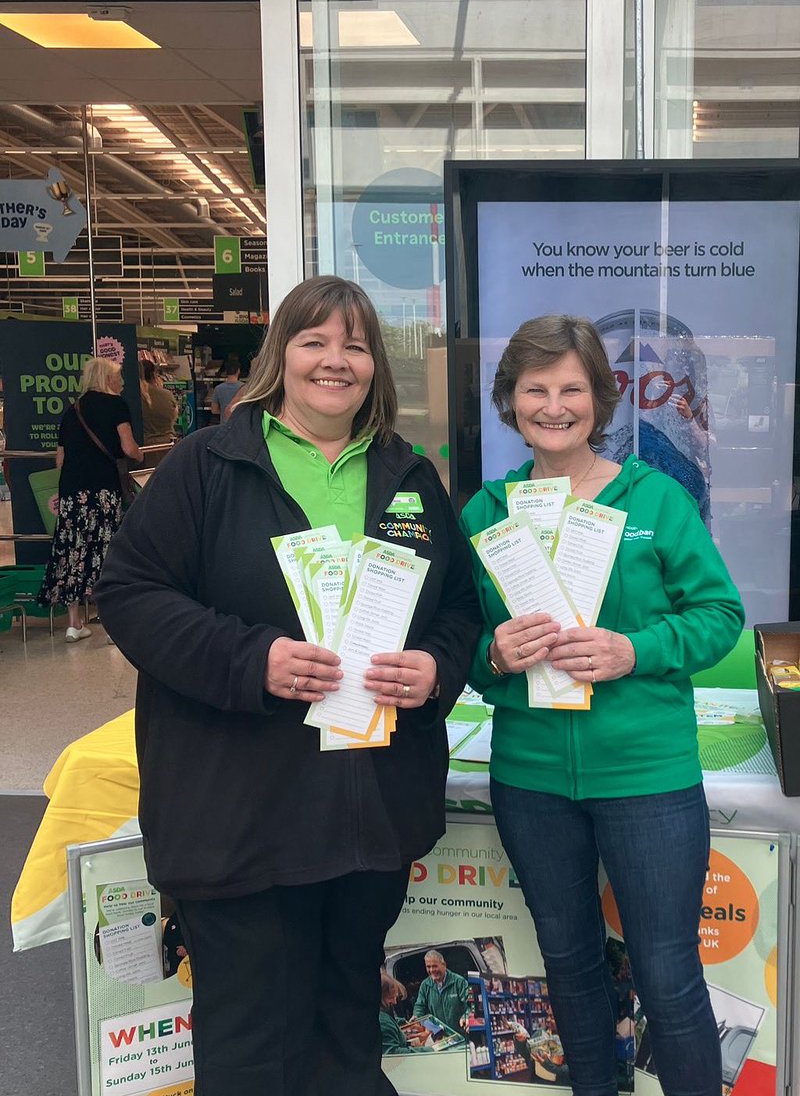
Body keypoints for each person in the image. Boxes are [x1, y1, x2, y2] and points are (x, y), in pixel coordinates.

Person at [95, 275, 482, 1096]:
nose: (334, 361)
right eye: (314, 341)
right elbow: (130, 594)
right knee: (251, 1055)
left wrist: (438, 668)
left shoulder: (407, 474)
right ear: (282, 356)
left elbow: (458, 609)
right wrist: (252, 660)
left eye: (354, 345)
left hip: (366, 817)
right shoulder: (210, 464)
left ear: (376, 365)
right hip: (242, 819)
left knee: (348, 1036)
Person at [460, 314, 744, 1096]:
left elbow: (719, 616)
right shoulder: (485, 514)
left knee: (667, 976)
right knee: (571, 966)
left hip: (645, 776)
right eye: (535, 389)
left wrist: (633, 650)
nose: (554, 406)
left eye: (573, 389)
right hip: (531, 779)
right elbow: (467, 650)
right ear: (509, 401)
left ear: (603, 400)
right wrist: (492, 656)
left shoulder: (653, 498)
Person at [38, 356, 143, 642]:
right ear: (108, 379)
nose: (121, 382)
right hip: (102, 491)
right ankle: (110, 626)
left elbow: (61, 458)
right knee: (106, 551)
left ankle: (74, 623)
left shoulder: (73, 410)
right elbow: (128, 447)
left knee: (73, 551)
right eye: (118, 377)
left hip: (73, 491)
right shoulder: (116, 406)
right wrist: (139, 454)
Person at [412, 949, 471, 1028]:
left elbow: (470, 1004)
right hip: (439, 1035)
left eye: (435, 966)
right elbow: (420, 1006)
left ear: (444, 965)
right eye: (428, 967)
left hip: (460, 1035)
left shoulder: (459, 982)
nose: (432, 970)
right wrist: (416, 1016)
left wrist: (466, 1016)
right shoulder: (425, 985)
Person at [139, 359, 177, 447]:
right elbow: (174, 417)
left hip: (145, 446)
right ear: (154, 374)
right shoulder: (167, 394)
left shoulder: (135, 397)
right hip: (168, 444)